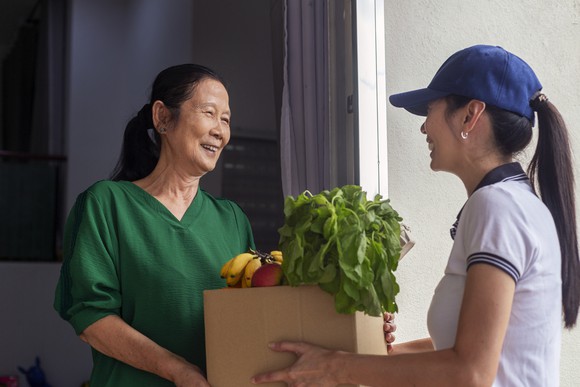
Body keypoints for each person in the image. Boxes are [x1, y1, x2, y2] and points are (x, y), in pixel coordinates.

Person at [252, 44, 580, 386]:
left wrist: (335, 367)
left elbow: (471, 372)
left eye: (430, 109)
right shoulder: (515, 202)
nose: (424, 128)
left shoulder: (498, 206)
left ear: (470, 115)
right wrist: (374, 353)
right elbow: (475, 347)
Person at [54, 64, 255, 386]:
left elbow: (249, 319)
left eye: (226, 119)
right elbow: (91, 317)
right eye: (209, 113)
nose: (220, 130)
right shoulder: (106, 204)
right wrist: (178, 370)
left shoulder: (232, 219)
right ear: (162, 117)